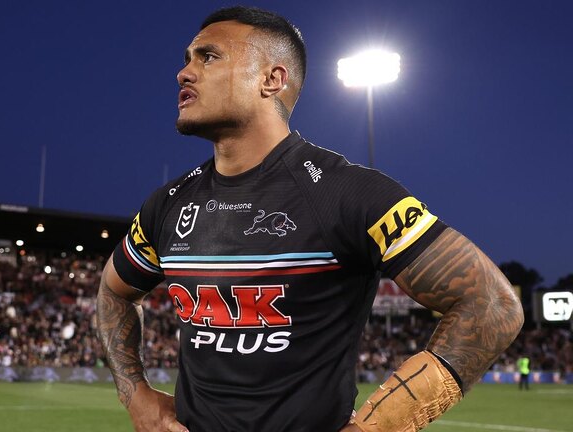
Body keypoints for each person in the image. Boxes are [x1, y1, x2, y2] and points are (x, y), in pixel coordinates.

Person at [95, 6, 524, 431]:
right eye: (188, 59)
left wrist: (378, 427)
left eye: (208, 57)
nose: (183, 73)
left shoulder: (349, 193)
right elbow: (113, 292)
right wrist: (134, 393)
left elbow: (492, 305)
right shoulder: (168, 203)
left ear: (272, 79)